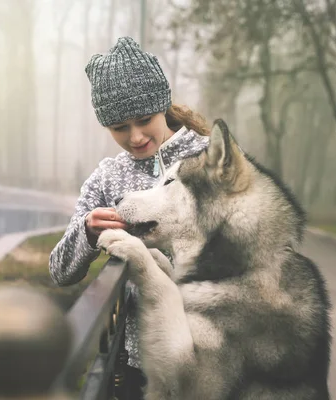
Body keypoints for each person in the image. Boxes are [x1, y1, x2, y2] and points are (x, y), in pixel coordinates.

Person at [49, 36, 210, 399]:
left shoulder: (210, 158)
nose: (136, 137)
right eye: (120, 128)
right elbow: (60, 272)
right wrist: (88, 232)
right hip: (143, 362)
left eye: (144, 120)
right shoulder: (107, 178)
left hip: (215, 355)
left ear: (162, 107)